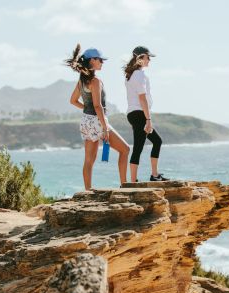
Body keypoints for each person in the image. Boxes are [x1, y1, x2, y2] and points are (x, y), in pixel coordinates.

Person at [66, 44, 130, 189]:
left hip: (85, 121)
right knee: (125, 150)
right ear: (92, 60)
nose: (102, 62)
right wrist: (105, 128)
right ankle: (125, 185)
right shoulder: (95, 81)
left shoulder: (81, 82)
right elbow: (97, 106)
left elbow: (73, 101)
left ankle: (88, 191)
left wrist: (86, 109)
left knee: (89, 160)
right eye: (100, 60)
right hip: (97, 121)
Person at [124, 46, 169, 182]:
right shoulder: (139, 74)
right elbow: (142, 98)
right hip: (140, 113)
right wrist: (148, 119)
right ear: (141, 58)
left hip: (133, 113)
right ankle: (133, 181)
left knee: (155, 141)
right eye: (148, 57)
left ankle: (152, 175)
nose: (149, 60)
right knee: (139, 146)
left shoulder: (130, 75)